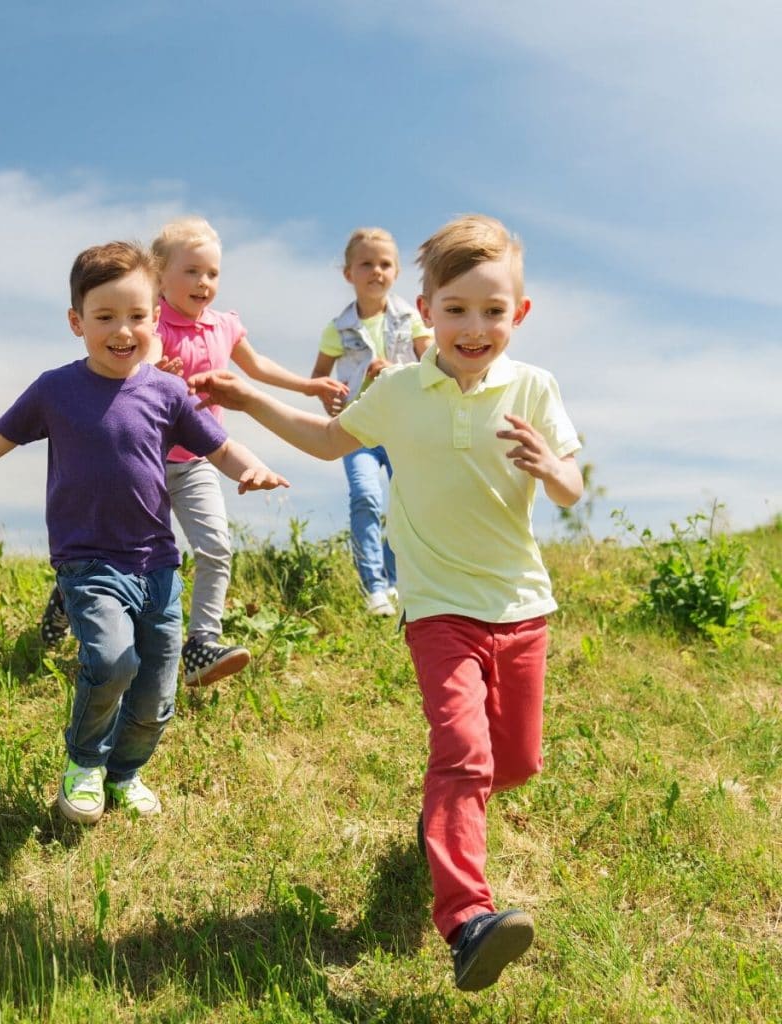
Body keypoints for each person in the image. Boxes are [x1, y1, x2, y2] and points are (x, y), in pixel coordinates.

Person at [189, 214, 583, 991]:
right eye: (458, 310)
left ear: (521, 314)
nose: (476, 328)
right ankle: (467, 919)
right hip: (438, 608)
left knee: (518, 762)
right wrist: (244, 396)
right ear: (423, 311)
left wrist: (551, 468)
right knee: (463, 753)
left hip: (521, 606)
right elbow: (328, 439)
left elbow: (570, 484)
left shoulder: (535, 387)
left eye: (494, 311)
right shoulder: (400, 390)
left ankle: (445, 816)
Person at [0, 241, 288, 824]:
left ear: (155, 317)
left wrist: (250, 467)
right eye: (104, 317)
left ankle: (124, 775)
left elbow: (220, 446)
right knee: (112, 661)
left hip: (157, 566)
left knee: (157, 698)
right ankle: (84, 764)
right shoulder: (57, 390)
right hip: (89, 563)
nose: (122, 330)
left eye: (136, 316)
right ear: (76, 321)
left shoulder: (167, 391)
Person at [41, 217, 347, 687]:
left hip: (198, 460)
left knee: (216, 546)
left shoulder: (224, 326)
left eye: (213, 273)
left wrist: (307, 385)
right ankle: (73, 595)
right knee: (121, 555)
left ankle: (203, 641)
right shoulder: (150, 321)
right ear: (160, 277)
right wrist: (153, 366)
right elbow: (132, 359)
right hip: (144, 463)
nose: (204, 283)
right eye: (192, 272)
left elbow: (258, 367)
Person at [310, 228, 432, 616]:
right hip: (358, 428)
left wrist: (393, 370)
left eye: (385, 264)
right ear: (349, 273)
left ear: (396, 271)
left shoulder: (410, 318)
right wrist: (342, 393)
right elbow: (320, 379)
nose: (376, 271)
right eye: (366, 263)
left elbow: (432, 365)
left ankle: (398, 582)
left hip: (402, 427)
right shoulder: (338, 327)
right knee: (366, 496)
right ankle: (374, 587)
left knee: (404, 502)